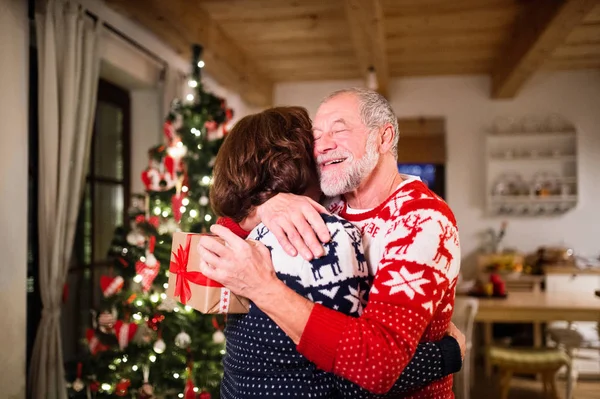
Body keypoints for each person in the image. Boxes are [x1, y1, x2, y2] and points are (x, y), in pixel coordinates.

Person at [198, 89, 462, 398]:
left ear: (384, 137)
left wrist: (262, 284)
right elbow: (230, 219)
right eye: (317, 137)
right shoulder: (328, 202)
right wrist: (264, 208)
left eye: (339, 130)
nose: (322, 146)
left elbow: (374, 366)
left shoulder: (421, 219)